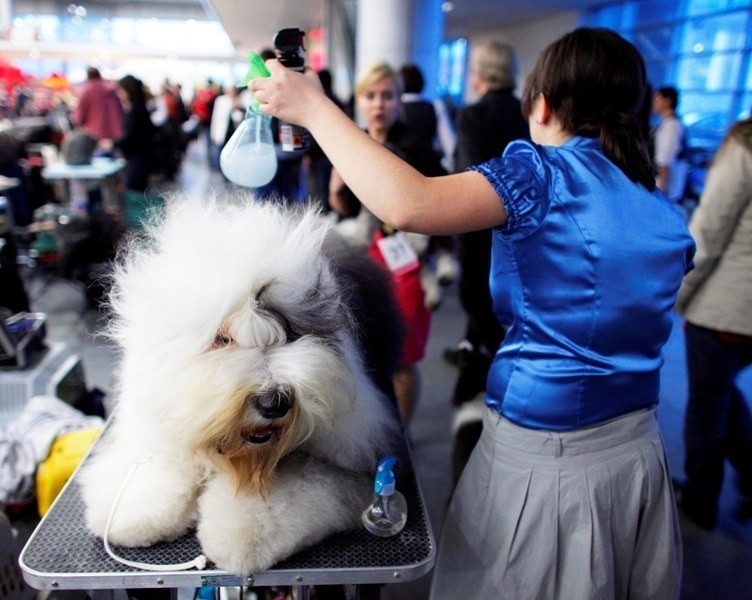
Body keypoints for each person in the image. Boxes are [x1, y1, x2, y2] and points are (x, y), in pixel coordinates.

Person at [251, 27, 695, 598]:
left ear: (542, 103)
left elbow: (408, 204)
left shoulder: (540, 174)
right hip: (638, 452)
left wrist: (312, 106)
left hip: (546, 457)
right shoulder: (660, 209)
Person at [328, 61, 444, 423]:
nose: (378, 104)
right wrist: (335, 190)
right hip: (359, 258)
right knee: (358, 349)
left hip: (405, 260)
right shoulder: (350, 144)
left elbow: (436, 209)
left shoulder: (418, 149)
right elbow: (338, 206)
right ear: (359, 101)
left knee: (403, 357)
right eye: (370, 95)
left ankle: (402, 432)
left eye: (387, 96)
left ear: (399, 101)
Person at [673, 115, 752, 530]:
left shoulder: (745, 146)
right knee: (721, 391)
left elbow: (709, 232)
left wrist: (677, 293)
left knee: (707, 403)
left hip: (729, 305)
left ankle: (700, 500)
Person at [445, 40, 529, 378]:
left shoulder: (473, 115)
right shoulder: (528, 113)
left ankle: (497, 367)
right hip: (525, 225)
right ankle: (474, 352)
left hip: (482, 227)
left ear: (479, 73)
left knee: (477, 297)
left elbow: (470, 176)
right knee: (505, 300)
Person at [113, 75, 156, 193]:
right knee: (137, 190)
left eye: (121, 91)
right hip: (137, 156)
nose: (119, 94)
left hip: (138, 156)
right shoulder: (135, 108)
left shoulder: (137, 109)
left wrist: (113, 143)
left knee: (135, 191)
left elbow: (132, 135)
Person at [71, 67, 123, 148]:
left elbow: (80, 117)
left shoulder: (86, 91)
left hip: (93, 135)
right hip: (115, 133)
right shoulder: (112, 89)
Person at [652, 86, 689, 203]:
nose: (654, 102)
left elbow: (665, 162)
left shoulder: (672, 126)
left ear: (668, 101)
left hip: (665, 187)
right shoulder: (668, 124)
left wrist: (660, 191)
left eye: (657, 99)